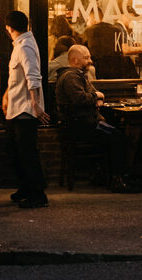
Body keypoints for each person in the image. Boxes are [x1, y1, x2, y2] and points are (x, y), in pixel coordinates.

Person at [55, 45, 134, 192]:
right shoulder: (71, 76)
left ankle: (103, 176)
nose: (90, 61)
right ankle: (118, 180)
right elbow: (81, 98)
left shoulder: (77, 75)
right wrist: (96, 97)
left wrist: (95, 96)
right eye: (86, 58)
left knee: (116, 134)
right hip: (82, 127)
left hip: (83, 124)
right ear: (74, 59)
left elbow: (91, 93)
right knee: (118, 137)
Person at [2, 10, 49, 208]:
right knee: (15, 150)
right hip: (16, 108)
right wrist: (6, 95)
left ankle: (38, 193)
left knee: (27, 152)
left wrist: (36, 105)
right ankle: (26, 187)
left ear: (9, 28)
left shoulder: (25, 46)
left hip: (25, 110)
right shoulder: (21, 44)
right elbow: (19, 77)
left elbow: (33, 76)